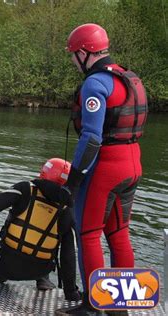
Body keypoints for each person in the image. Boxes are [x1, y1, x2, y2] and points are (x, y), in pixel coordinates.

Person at [57, 23, 147, 315]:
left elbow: (92, 137)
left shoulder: (95, 84)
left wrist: (73, 180)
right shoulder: (130, 78)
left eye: (73, 54)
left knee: (88, 233)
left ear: (85, 51)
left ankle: (93, 305)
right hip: (133, 162)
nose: (72, 60)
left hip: (107, 167)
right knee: (119, 232)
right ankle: (119, 305)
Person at [0, 158, 81, 302]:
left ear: (43, 173)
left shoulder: (25, 189)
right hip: (41, 268)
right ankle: (42, 280)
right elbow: (68, 256)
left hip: (7, 264)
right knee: (46, 247)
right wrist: (71, 292)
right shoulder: (67, 210)